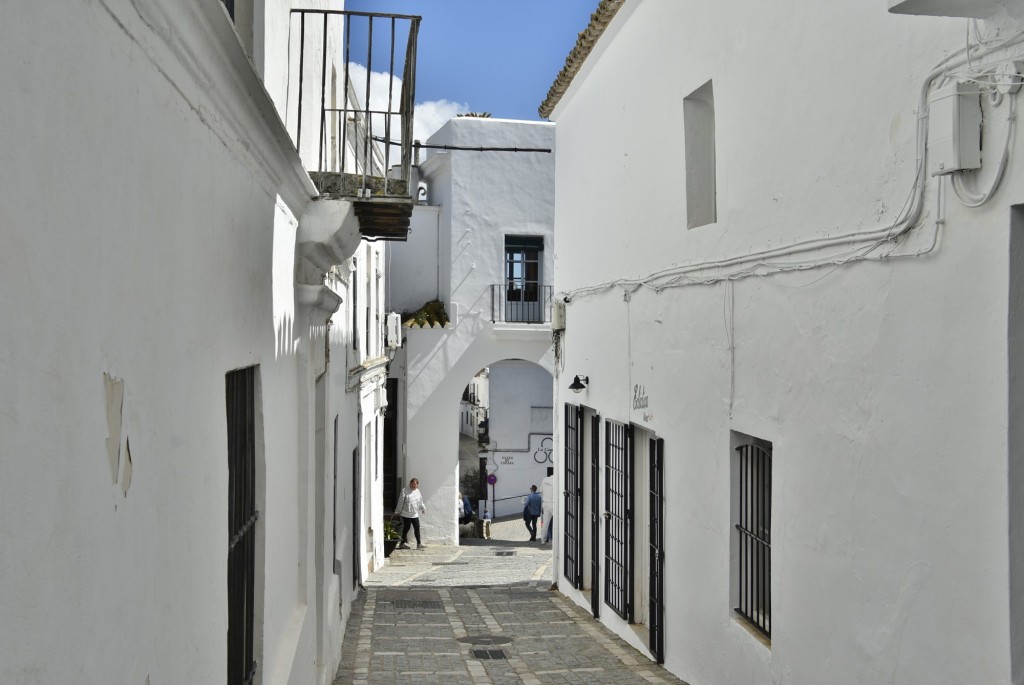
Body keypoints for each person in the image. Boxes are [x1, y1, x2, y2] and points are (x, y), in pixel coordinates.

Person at [394, 477, 426, 549]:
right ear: (410, 484)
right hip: (406, 514)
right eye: (412, 484)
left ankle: (419, 544)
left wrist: (423, 508)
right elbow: (401, 502)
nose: (413, 485)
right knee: (406, 528)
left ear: (417, 485)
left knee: (417, 527)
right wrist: (397, 511)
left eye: (415, 484)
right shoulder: (404, 491)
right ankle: (402, 543)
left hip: (414, 514)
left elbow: (420, 501)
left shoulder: (418, 491)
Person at [540, 466, 554, 544]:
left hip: (545, 503)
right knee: (557, 521)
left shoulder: (544, 480)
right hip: (553, 503)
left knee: (545, 523)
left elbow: (541, 490)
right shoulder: (557, 480)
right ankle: (555, 539)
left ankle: (543, 539)